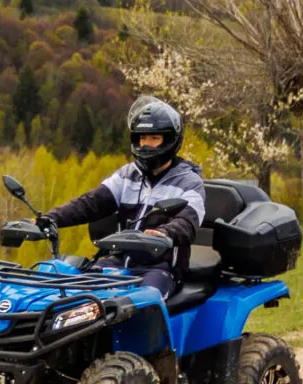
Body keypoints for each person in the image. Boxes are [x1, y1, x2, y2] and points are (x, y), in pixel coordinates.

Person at [42, 96, 208, 298]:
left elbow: (187, 221)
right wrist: (50, 219)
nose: (146, 145)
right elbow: (91, 203)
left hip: (159, 268)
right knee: (70, 294)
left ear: (171, 140)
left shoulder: (189, 182)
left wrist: (164, 234)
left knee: (144, 300)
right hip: (116, 262)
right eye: (142, 138)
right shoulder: (127, 175)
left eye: (154, 139)